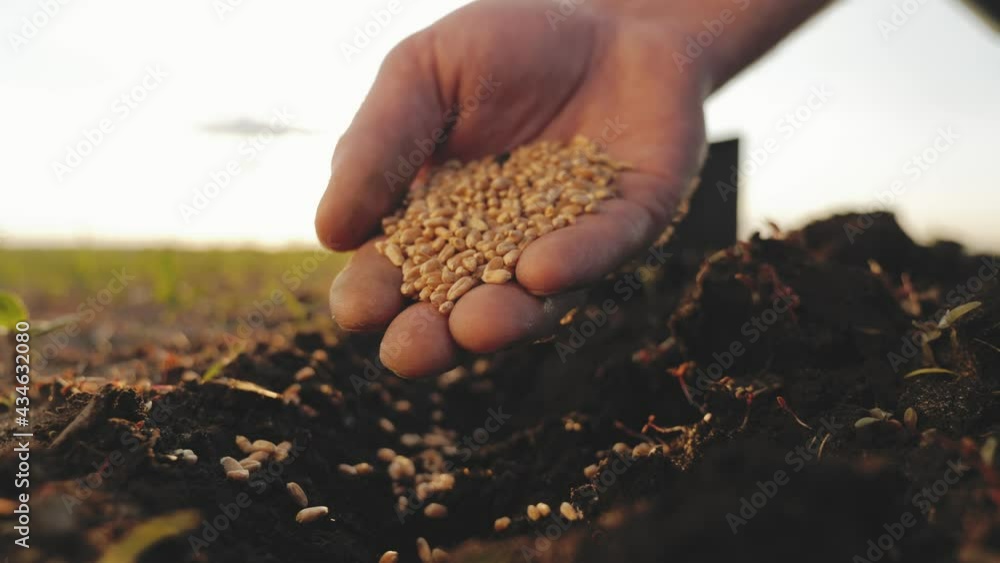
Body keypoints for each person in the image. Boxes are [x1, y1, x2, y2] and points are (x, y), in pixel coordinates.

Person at [310, 0, 915, 378]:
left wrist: (643, 36)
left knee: (526, 282)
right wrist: (639, 28)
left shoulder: (570, 177)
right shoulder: (459, 215)